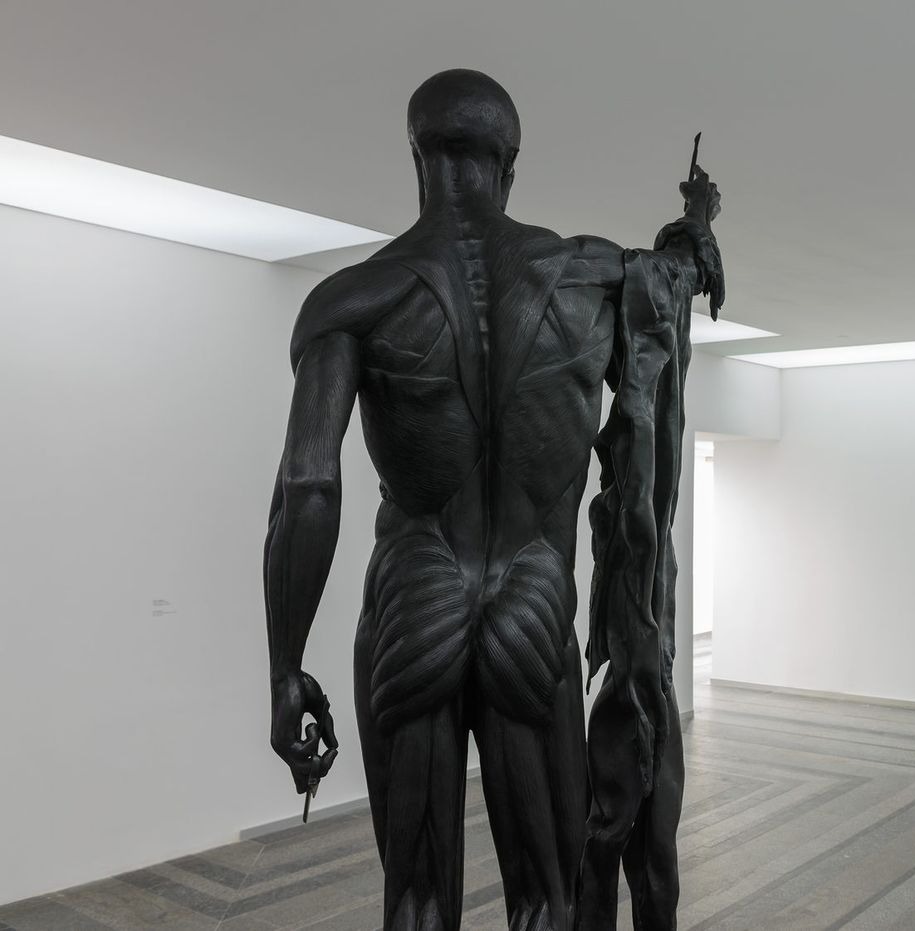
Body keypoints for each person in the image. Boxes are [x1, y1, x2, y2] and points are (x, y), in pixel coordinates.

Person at [262, 69, 721, 931]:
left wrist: (285, 667)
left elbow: (307, 485)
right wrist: (696, 220)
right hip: (530, 604)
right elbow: (677, 275)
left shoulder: (352, 300)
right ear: (509, 167)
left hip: (414, 606)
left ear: (417, 158)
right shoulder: (592, 279)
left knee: (416, 899)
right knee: (546, 899)